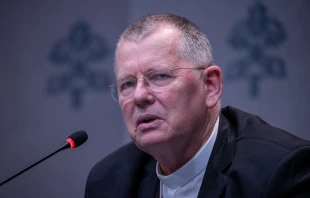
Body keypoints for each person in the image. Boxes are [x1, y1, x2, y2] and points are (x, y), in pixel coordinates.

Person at [85, 14, 310, 198]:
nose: (139, 95)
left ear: (210, 86)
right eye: (127, 84)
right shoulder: (108, 181)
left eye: (160, 76)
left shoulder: (280, 171)